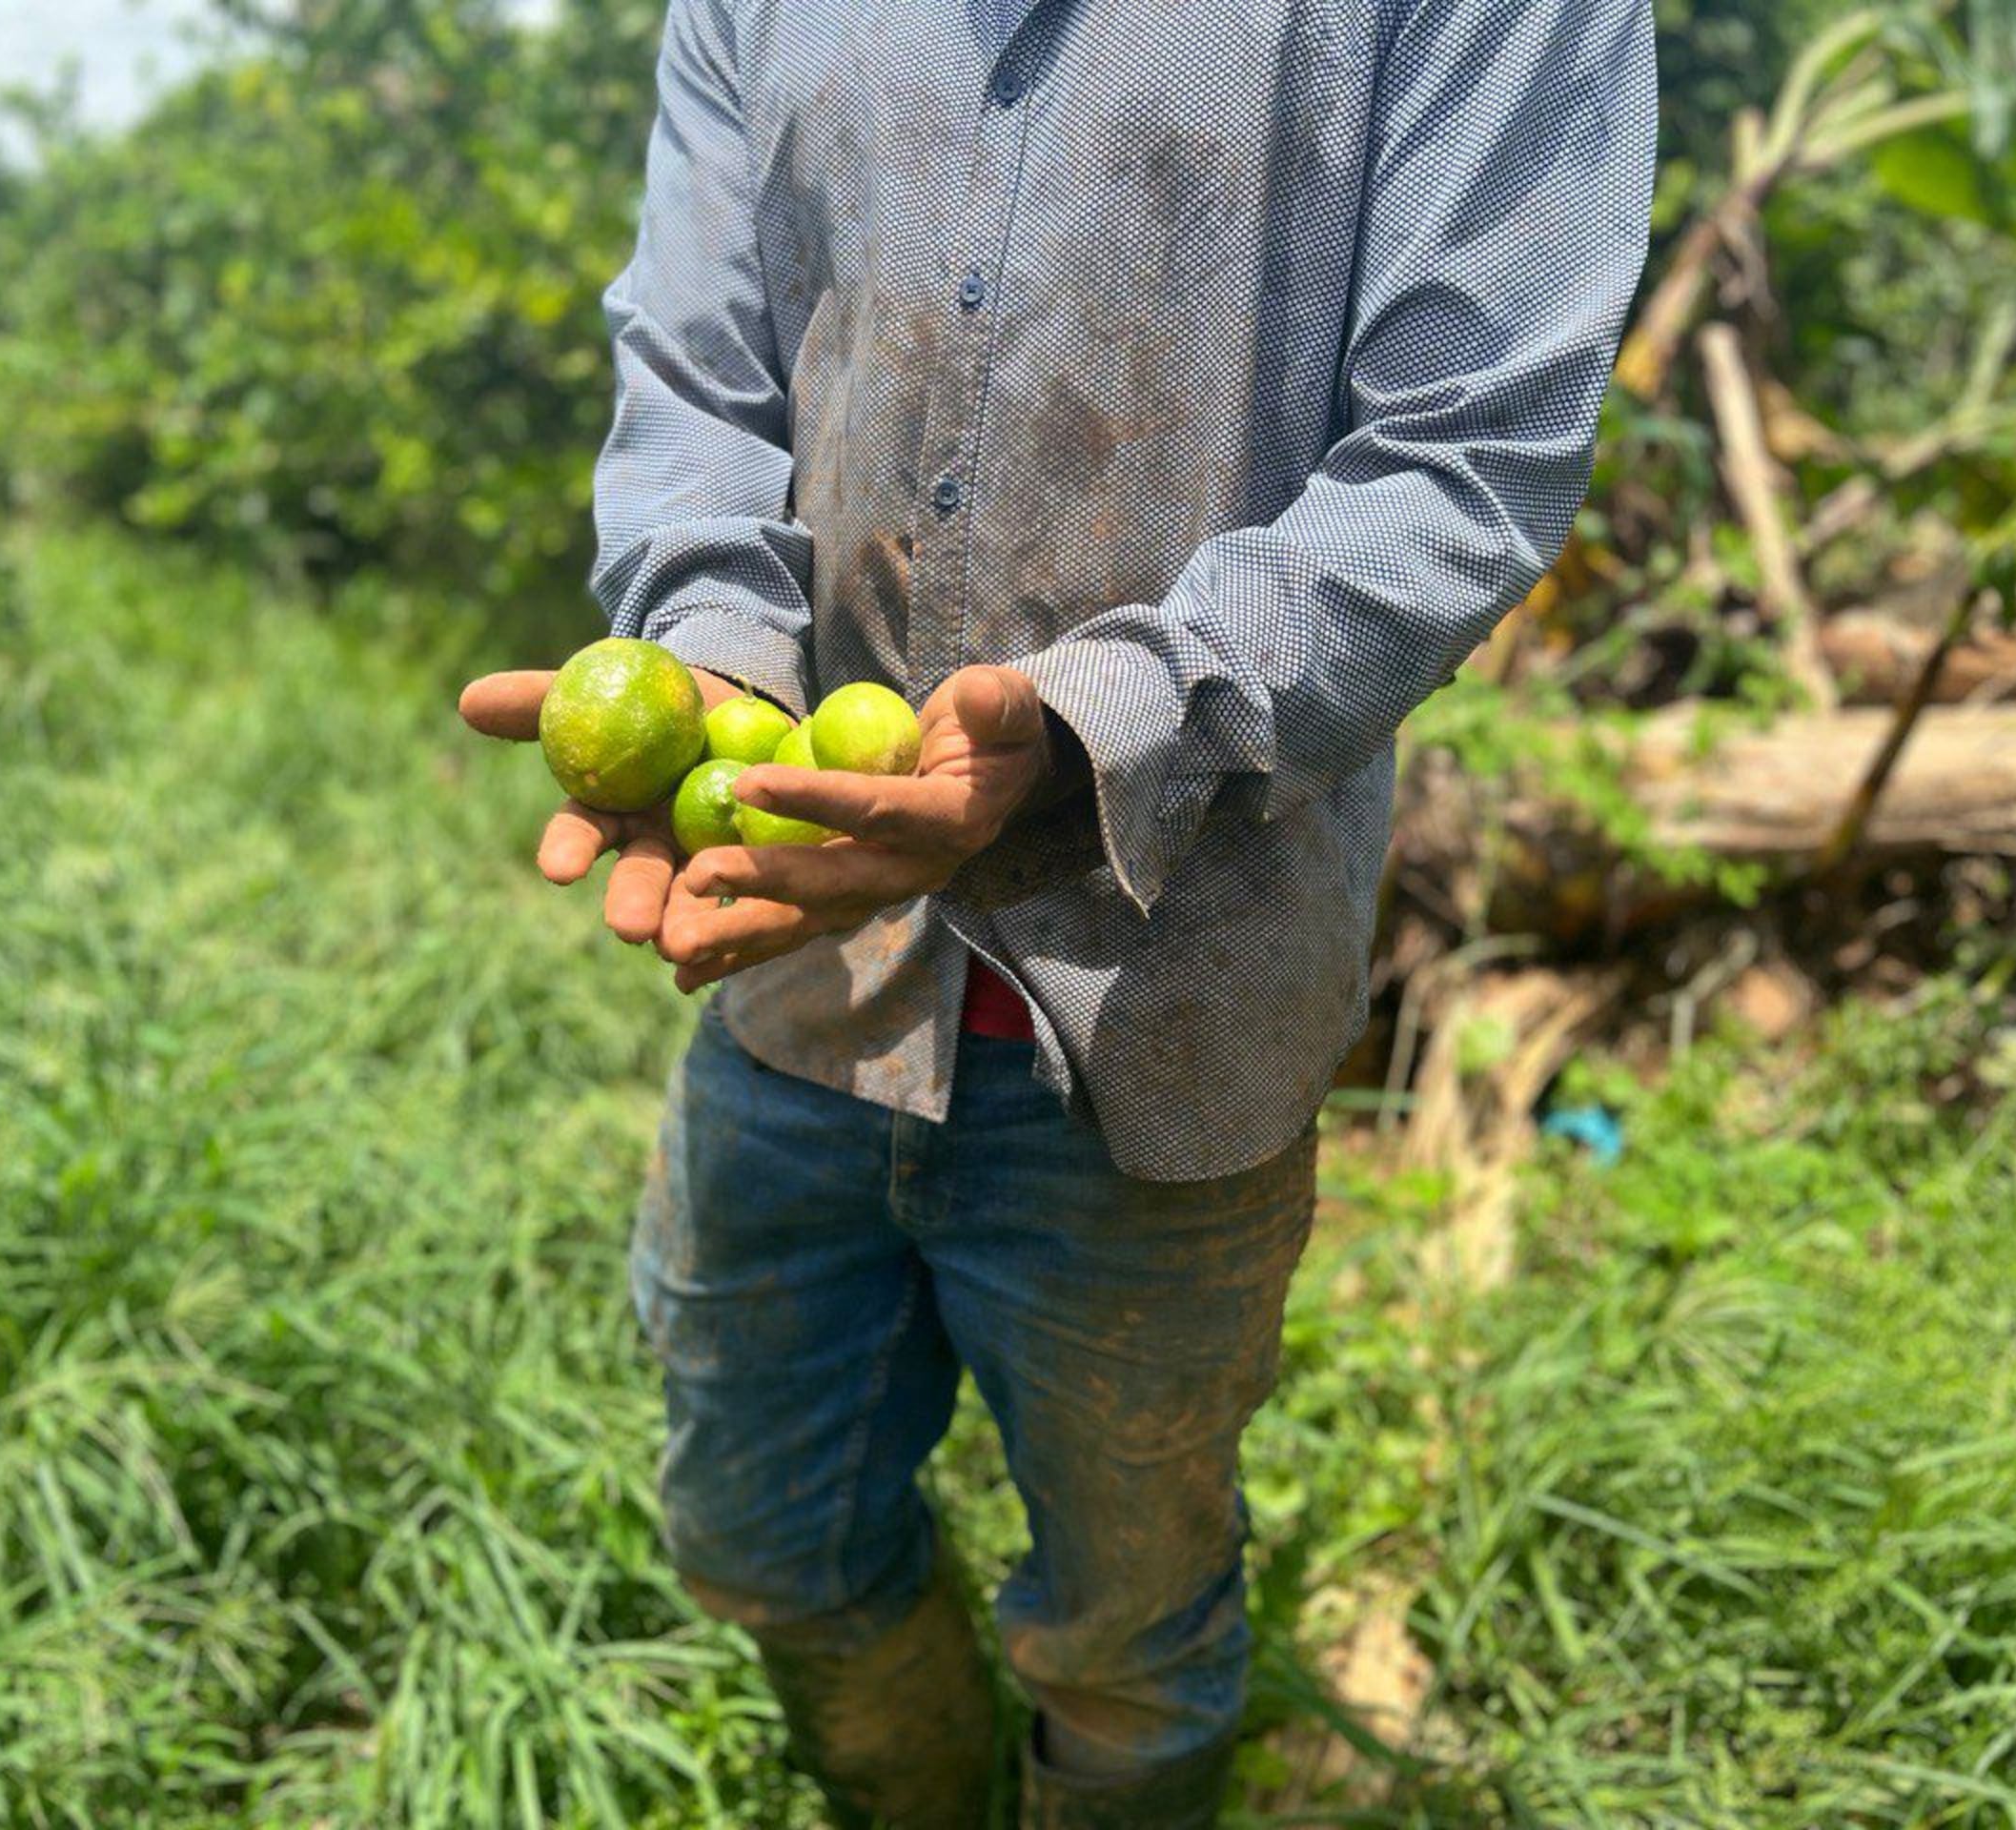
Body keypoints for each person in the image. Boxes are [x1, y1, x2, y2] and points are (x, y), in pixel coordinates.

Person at [459, 0, 1654, 1820]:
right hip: (800, 989)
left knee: (1128, 1635)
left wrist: (1105, 725)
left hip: (1171, 1014)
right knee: (765, 1547)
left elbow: (1469, 459)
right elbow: (695, 389)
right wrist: (704, 655)